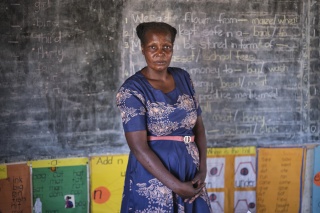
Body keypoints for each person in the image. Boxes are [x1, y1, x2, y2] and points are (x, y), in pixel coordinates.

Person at [116, 22, 212, 212]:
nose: (160, 53)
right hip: (153, 177)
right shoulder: (132, 90)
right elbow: (139, 148)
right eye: (153, 47)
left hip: (189, 172)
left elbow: (198, 127)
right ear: (143, 49)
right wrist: (176, 186)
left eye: (166, 47)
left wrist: (202, 169)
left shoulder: (184, 77)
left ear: (172, 49)